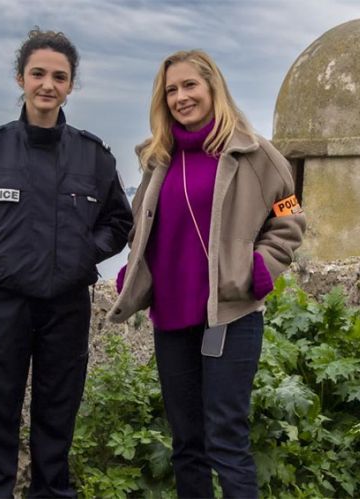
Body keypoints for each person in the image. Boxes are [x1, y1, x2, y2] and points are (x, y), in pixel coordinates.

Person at [0, 28, 132, 498]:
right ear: (21, 78)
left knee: (58, 414)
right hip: (5, 304)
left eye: (59, 77)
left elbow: (118, 221)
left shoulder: (94, 155)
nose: (48, 84)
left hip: (67, 305)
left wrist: (85, 251)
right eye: (38, 73)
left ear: (71, 86)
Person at [109, 50, 306, 498]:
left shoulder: (256, 155)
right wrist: (135, 270)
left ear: (212, 87)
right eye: (171, 90)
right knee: (187, 445)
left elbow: (290, 216)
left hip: (231, 317)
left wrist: (262, 266)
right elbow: (147, 225)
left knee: (227, 442)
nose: (181, 97)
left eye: (189, 86)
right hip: (172, 319)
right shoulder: (156, 159)